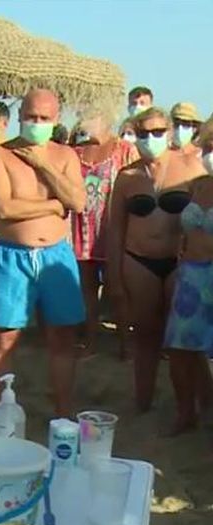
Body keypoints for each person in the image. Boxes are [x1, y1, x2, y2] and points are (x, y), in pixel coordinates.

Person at [0, 88, 87, 416]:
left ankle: (64, 410)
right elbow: (4, 209)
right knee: (5, 341)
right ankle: (2, 412)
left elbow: (79, 202)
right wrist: (55, 205)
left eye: (43, 118)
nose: (36, 123)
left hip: (56, 255)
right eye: (30, 117)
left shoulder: (65, 156)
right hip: (14, 256)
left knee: (62, 337)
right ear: (19, 117)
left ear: (56, 120)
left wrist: (44, 164)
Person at [107, 107, 207, 425]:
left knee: (187, 343)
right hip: (138, 259)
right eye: (144, 132)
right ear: (134, 135)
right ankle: (143, 401)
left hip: (180, 261)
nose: (151, 138)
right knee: (146, 334)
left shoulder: (191, 167)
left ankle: (199, 404)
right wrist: (114, 277)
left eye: (158, 131)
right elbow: (115, 229)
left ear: (169, 132)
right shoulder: (127, 177)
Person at [71, 107, 139, 358]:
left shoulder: (123, 149)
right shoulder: (76, 152)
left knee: (117, 287)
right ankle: (90, 340)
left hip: (114, 229)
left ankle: (125, 341)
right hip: (82, 229)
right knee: (87, 289)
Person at [163, 120, 213, 433]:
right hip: (193, 277)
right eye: (208, 147)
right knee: (181, 350)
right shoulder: (200, 184)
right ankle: (187, 413)